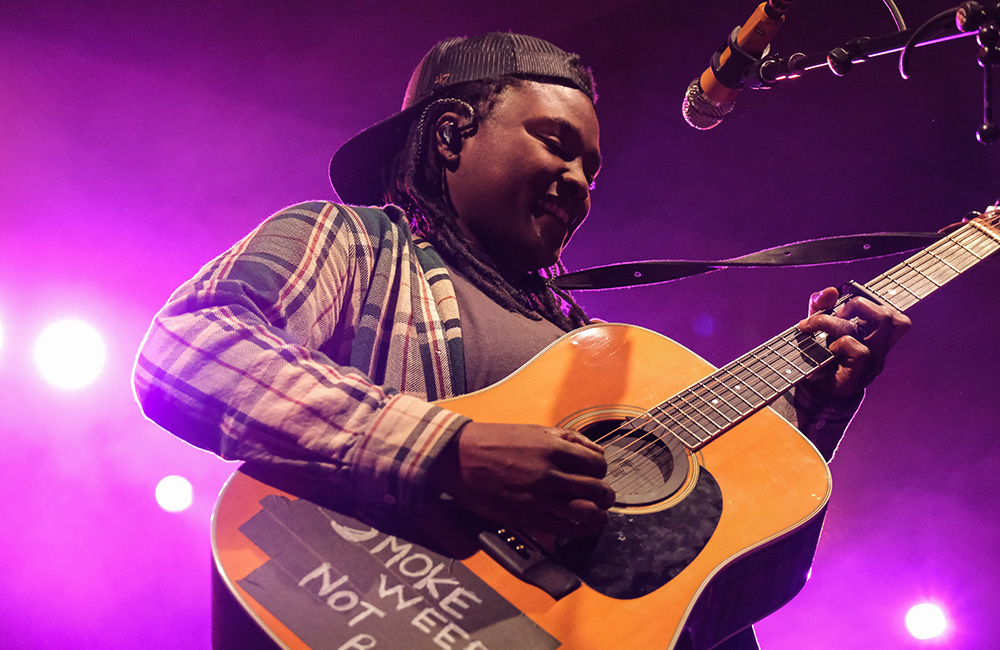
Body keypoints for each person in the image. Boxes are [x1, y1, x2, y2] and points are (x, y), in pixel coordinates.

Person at [133, 32, 909, 650]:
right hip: (385, 608)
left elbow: (700, 545)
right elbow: (192, 347)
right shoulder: (356, 242)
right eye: (556, 143)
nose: (580, 180)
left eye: (593, 169)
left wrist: (814, 409)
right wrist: (447, 448)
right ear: (450, 135)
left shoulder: (596, 345)